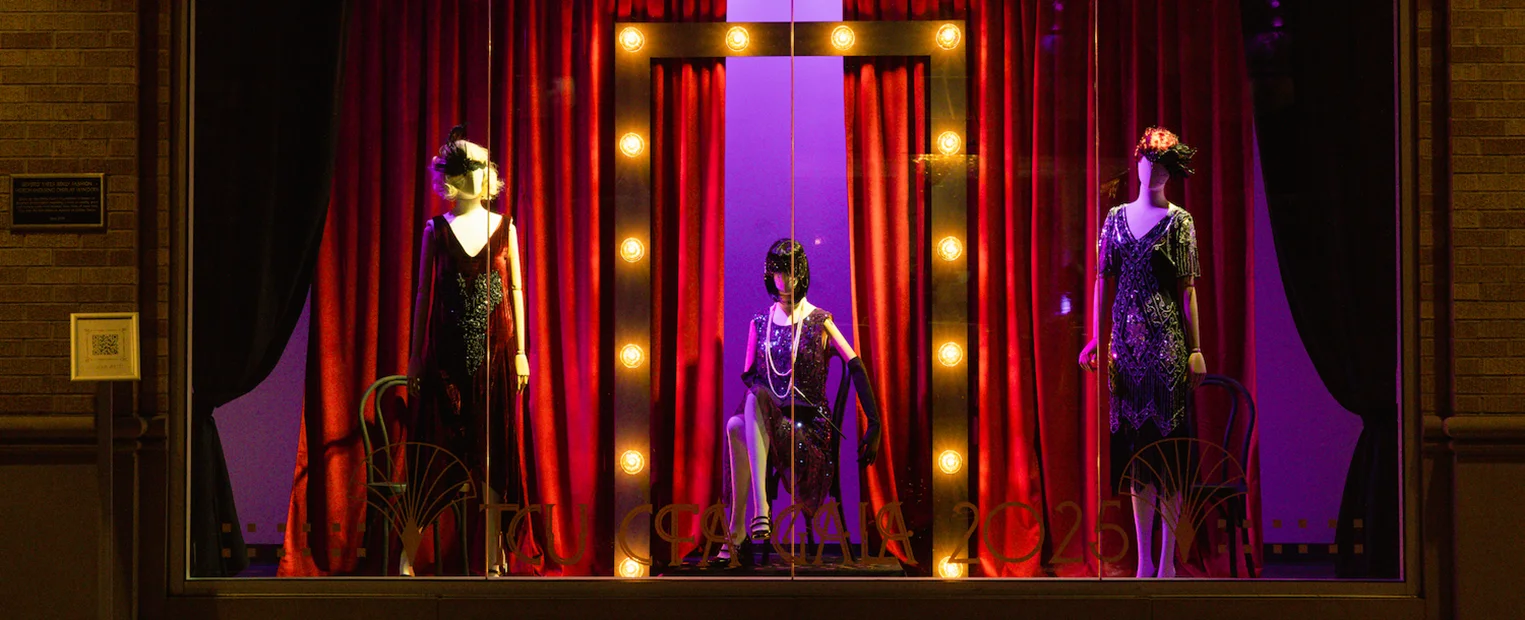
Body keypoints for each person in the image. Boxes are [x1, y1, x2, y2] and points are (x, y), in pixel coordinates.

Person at [404, 125, 530, 576]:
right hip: (444, 357)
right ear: (450, 178)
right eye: (466, 169)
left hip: (496, 357)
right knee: (433, 449)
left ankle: (496, 554)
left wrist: (522, 352)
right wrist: (416, 354)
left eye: (480, 167)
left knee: (494, 451)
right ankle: (408, 555)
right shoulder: (435, 231)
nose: (475, 177)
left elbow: (517, 288)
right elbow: (423, 294)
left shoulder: (505, 227)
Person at [1080, 126, 1206, 579]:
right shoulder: (1114, 219)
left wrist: (1196, 348)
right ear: (1136, 163)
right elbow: (1101, 282)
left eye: (1163, 165)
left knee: (1167, 454)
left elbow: (1187, 290)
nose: (1153, 171)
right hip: (1125, 354)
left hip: (1167, 349)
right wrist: (1096, 336)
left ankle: (1168, 560)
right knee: (1136, 456)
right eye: (1148, 161)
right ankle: (1145, 561)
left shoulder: (1181, 222)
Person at [716, 238, 883, 565]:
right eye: (778, 273)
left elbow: (856, 365)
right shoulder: (759, 323)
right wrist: (775, 396)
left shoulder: (819, 320)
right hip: (768, 423)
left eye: (790, 272)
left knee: (749, 408)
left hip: (808, 431)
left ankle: (749, 522)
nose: (784, 281)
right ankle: (743, 528)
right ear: (770, 275)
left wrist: (875, 423)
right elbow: (749, 376)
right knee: (737, 420)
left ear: (801, 273)